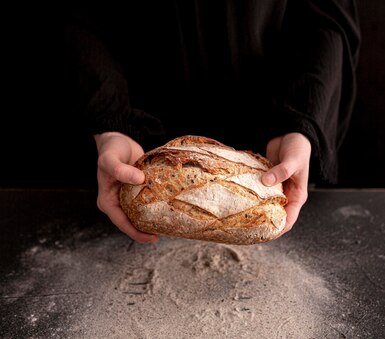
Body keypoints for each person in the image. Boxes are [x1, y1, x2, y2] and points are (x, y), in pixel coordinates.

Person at [64, 0, 361, 243]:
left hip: (271, 147)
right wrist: (112, 122)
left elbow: (326, 15)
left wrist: (301, 122)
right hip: (128, 152)